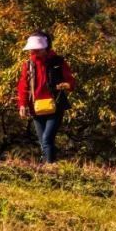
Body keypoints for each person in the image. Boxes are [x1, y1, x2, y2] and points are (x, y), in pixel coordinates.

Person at [16, 31, 76, 163]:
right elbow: (23, 87)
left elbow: (71, 81)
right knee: (43, 141)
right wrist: (22, 104)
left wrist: (67, 85)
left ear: (46, 47)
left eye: (37, 48)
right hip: (36, 107)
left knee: (47, 139)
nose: (34, 51)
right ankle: (49, 167)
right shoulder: (28, 65)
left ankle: (49, 167)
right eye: (33, 48)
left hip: (56, 106)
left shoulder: (59, 62)